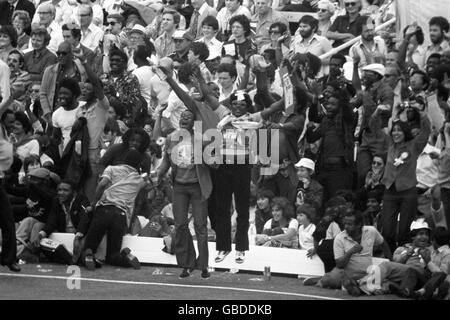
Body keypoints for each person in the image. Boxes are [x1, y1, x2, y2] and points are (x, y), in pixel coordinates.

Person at [157, 108, 212, 279]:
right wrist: (157, 175)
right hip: (179, 187)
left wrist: (204, 157)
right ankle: (186, 265)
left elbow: (214, 163)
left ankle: (203, 265)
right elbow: (166, 162)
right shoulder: (171, 139)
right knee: (180, 226)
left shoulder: (201, 139)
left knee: (200, 226)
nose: (184, 119)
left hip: (197, 187)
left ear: (193, 122)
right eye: (182, 117)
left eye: (188, 118)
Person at [82, 150, 150, 270]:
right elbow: (150, 185)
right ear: (138, 164)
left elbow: (102, 184)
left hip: (104, 209)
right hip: (121, 215)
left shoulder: (111, 169)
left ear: (123, 159)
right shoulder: (138, 180)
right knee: (113, 255)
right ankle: (124, 256)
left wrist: (93, 204)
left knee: (90, 246)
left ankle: (89, 254)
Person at [379, 105, 431, 253]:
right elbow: (374, 126)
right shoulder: (389, 145)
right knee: (387, 231)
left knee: (403, 232)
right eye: (394, 130)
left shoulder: (414, 145)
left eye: (399, 130)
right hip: (390, 191)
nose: (396, 133)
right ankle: (391, 258)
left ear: (405, 132)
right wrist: (378, 113)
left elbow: (426, 130)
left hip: (408, 192)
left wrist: (421, 113)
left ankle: (404, 259)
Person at [36, 180, 92, 264]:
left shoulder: (82, 199)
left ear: (74, 192)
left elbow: (84, 219)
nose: (61, 193)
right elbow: (51, 221)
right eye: (59, 190)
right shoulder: (56, 201)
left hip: (79, 235)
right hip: (62, 235)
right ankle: (73, 259)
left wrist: (78, 236)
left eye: (65, 190)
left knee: (84, 241)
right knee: (40, 234)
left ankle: (80, 257)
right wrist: (41, 234)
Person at [40, 41, 88, 121]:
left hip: (77, 117)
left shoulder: (82, 70)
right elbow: (43, 94)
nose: (60, 56)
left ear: (72, 54)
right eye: (58, 53)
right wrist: (48, 116)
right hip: (54, 116)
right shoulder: (49, 71)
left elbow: (87, 92)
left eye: (64, 53)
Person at [0, 102, 21, 272]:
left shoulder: (7, 135)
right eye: (9, 121)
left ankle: (8, 258)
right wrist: (12, 96)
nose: (13, 125)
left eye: (15, 122)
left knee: (7, 219)